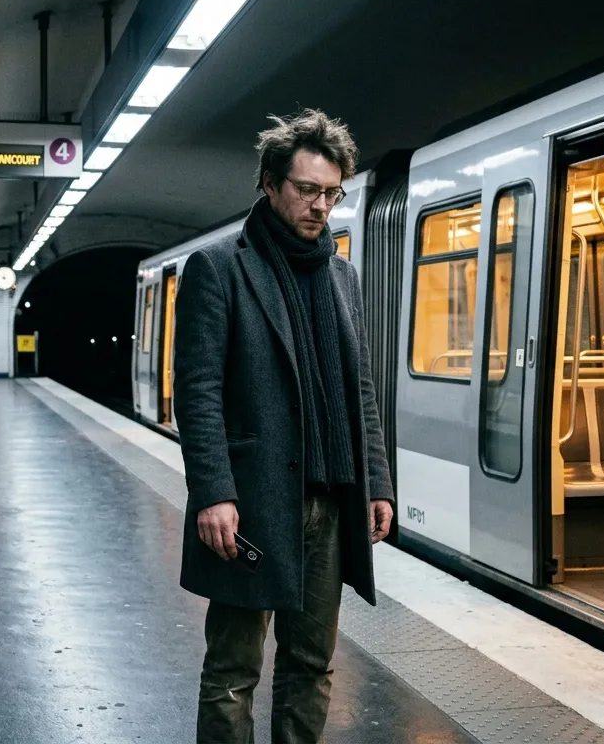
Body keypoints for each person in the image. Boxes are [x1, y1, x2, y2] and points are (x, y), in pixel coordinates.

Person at [171, 108, 394, 744]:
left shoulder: (342, 277)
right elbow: (199, 390)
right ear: (270, 184)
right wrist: (213, 492)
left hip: (329, 503)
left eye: (332, 192)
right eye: (307, 190)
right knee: (234, 669)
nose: (321, 205)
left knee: (310, 664)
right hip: (253, 502)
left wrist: (376, 481)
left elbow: (360, 390)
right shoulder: (220, 268)